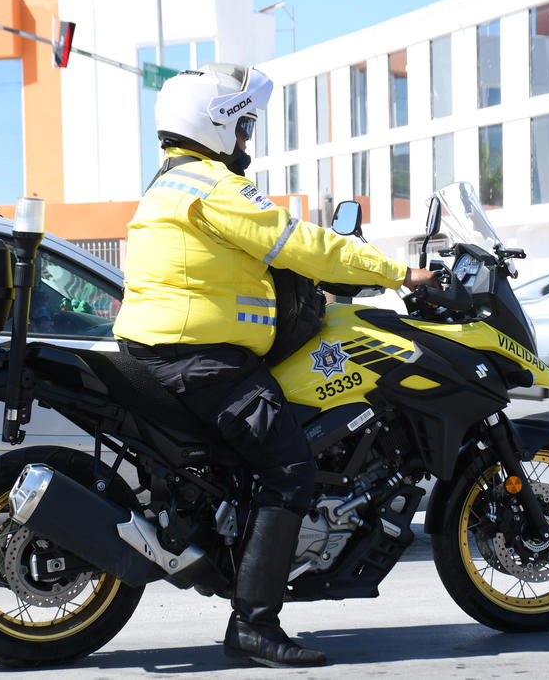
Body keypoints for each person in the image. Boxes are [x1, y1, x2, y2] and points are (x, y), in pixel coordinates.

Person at [112, 63, 438, 668]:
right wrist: (401, 274)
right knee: (289, 468)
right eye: (242, 127)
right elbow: (301, 243)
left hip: (170, 352)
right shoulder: (213, 185)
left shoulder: (169, 185)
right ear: (212, 124)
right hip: (201, 359)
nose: (246, 140)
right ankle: (254, 624)